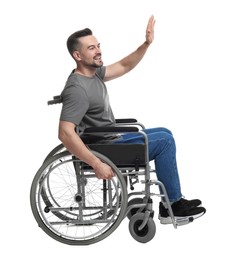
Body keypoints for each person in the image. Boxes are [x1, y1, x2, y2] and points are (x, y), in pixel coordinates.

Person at [58, 15, 206, 224]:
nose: (99, 50)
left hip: (111, 140)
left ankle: (170, 202)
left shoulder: (94, 74)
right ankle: (172, 204)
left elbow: (125, 65)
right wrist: (96, 164)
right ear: (78, 55)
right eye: (91, 48)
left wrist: (146, 44)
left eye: (98, 45)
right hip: (104, 148)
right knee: (165, 142)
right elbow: (65, 133)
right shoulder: (77, 88)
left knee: (165, 132)